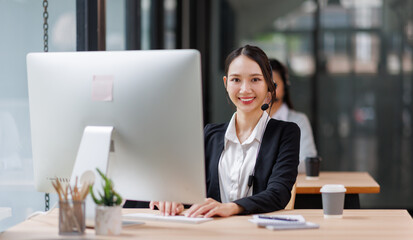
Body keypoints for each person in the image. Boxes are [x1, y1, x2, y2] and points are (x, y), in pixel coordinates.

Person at [150, 45, 300, 218]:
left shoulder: (286, 133)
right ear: (226, 83)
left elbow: (278, 193)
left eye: (255, 80)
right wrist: (173, 198)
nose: (245, 89)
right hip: (212, 231)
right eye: (236, 80)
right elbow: (187, 187)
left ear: (268, 85)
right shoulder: (210, 134)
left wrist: (233, 207)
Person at [268, 59, 317, 173]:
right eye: (265, 84)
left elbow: (307, 163)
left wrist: (268, 168)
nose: (269, 89)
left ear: (285, 85)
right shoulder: (252, 120)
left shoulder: (298, 121)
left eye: (274, 84)